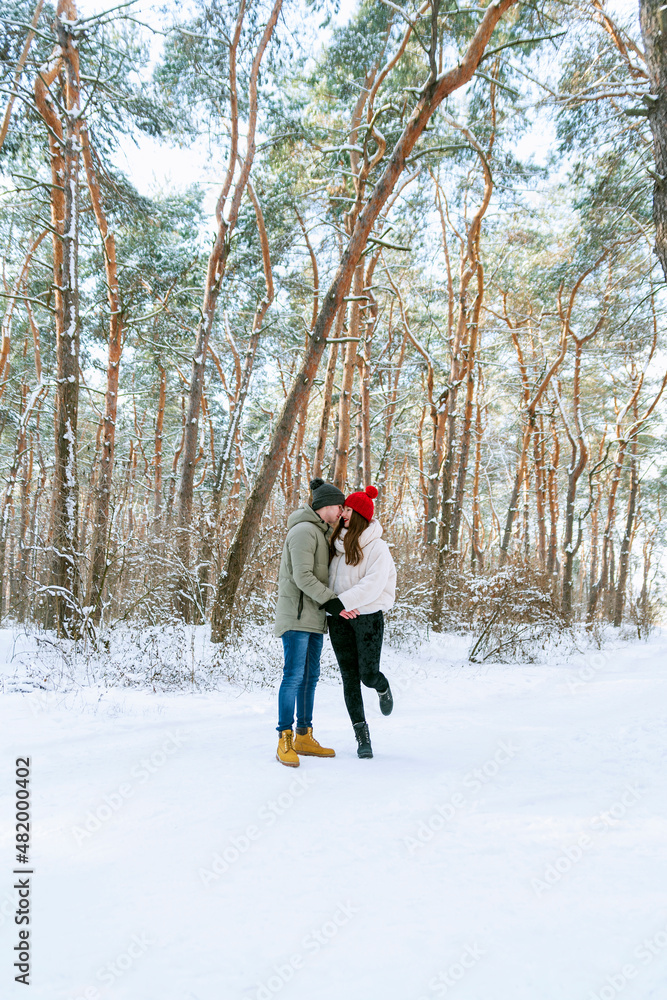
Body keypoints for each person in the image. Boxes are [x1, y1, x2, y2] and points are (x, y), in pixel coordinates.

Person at [273, 477, 349, 767]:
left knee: (310, 677)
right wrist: (332, 601)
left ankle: (304, 734)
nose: (342, 511)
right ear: (325, 506)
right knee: (293, 676)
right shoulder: (304, 531)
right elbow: (302, 576)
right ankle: (285, 738)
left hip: (314, 616)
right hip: (297, 616)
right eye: (339, 506)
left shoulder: (321, 531)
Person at [323, 485, 396, 759]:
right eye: (345, 509)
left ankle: (382, 685)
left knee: (367, 675)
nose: (344, 514)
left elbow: (373, 585)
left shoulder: (378, 547)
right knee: (349, 679)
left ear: (361, 514)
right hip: (338, 620)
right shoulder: (335, 544)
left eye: (349, 510)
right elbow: (327, 580)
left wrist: (343, 603)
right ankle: (362, 736)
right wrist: (334, 606)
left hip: (367, 618)